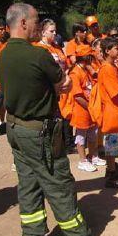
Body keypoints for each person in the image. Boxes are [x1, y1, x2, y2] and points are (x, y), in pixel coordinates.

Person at [0, 3, 112, 236]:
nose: (38, 26)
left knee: (29, 184)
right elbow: (65, 83)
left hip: (16, 129)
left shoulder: (2, 55)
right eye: (36, 21)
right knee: (59, 183)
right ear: (23, 23)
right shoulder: (39, 55)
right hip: (40, 131)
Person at [94, 37, 118, 189]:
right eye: (115, 48)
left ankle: (112, 168)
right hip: (111, 113)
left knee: (114, 144)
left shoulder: (111, 66)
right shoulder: (107, 69)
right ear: (107, 51)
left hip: (115, 111)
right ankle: (111, 174)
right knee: (112, 144)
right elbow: (116, 91)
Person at [34, 19, 75, 151]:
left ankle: (63, 144)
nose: (55, 33)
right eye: (51, 31)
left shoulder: (57, 47)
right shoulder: (39, 48)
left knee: (64, 118)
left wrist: (66, 77)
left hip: (63, 89)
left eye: (55, 30)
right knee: (51, 120)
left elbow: (66, 66)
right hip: (49, 90)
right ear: (43, 32)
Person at [69, 44, 105, 172]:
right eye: (90, 56)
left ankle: (93, 156)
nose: (92, 59)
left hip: (90, 109)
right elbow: (78, 96)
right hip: (82, 110)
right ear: (85, 58)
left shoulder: (85, 70)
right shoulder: (75, 73)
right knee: (81, 136)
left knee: (93, 134)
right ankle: (83, 161)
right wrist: (90, 107)